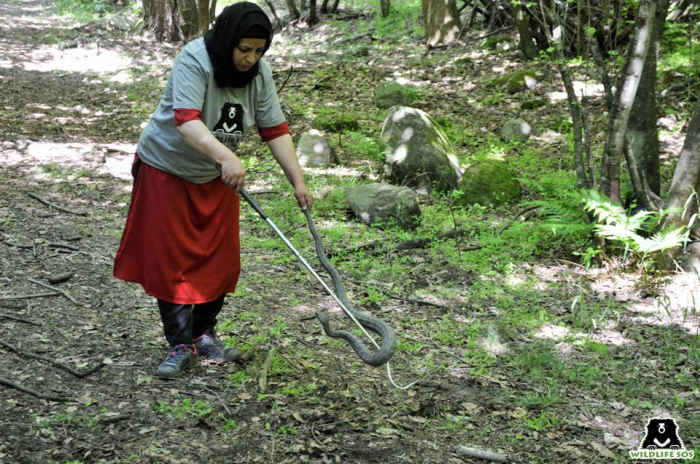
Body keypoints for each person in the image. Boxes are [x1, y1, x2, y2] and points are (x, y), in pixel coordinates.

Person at [113, 2, 313, 378]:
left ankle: (205, 334)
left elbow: (274, 128)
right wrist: (226, 157)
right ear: (227, 40)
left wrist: (297, 181)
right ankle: (180, 343)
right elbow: (187, 121)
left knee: (217, 258)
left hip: (215, 175)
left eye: (258, 50)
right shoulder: (195, 59)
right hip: (167, 168)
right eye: (243, 49)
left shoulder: (259, 74)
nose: (250, 58)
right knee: (172, 260)